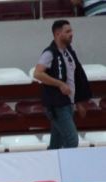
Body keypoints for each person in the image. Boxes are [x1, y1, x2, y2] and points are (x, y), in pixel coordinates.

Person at [34, 20, 92, 150]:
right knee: (72, 140)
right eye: (68, 31)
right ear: (57, 33)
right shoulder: (49, 53)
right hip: (57, 104)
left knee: (56, 144)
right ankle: (68, 168)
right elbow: (37, 74)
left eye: (71, 31)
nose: (71, 34)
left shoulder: (69, 52)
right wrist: (59, 84)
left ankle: (49, 167)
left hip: (68, 103)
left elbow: (75, 78)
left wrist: (78, 102)